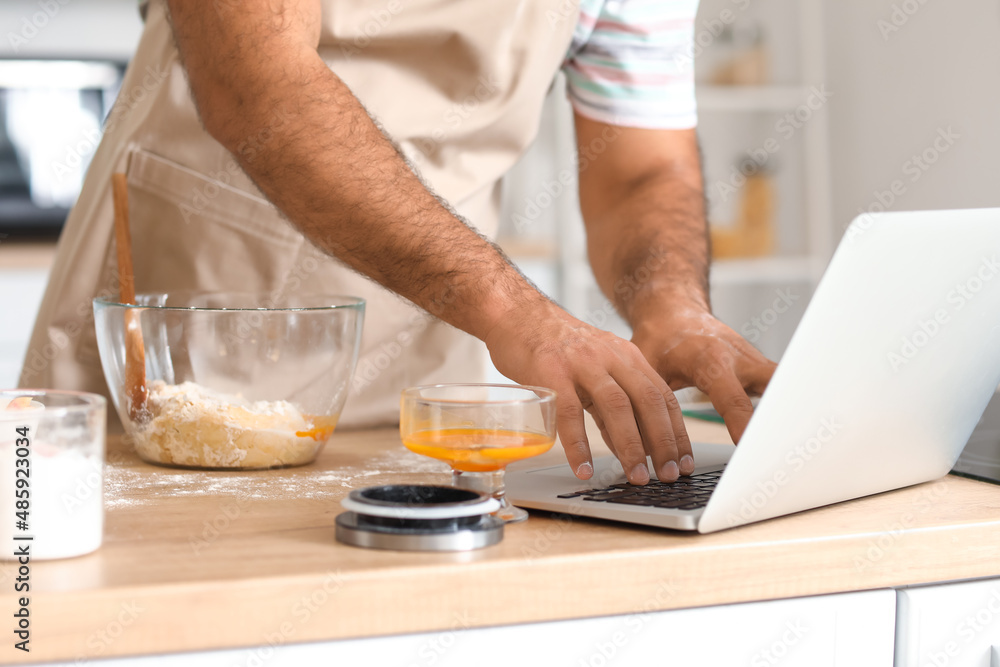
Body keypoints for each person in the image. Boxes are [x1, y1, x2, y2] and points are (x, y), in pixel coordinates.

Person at [21, 0, 775, 485]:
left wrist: (673, 306)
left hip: (436, 333)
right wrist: (516, 309)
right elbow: (257, 87)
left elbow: (640, 169)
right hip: (188, 320)